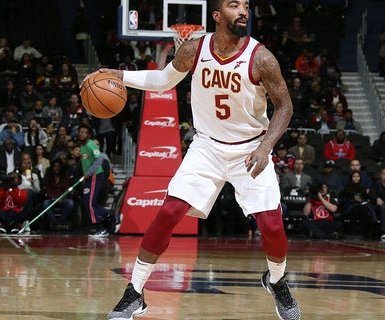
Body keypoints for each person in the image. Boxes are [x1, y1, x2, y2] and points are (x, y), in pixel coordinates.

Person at [85, 1, 301, 319]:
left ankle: (277, 281)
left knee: (271, 225)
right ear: (216, 16)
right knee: (169, 212)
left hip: (251, 149)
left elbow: (285, 107)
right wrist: (117, 75)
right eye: (234, 5)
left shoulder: (261, 58)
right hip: (207, 148)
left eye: (245, 5)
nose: (243, 10)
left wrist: (265, 146)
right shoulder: (194, 50)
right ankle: (135, 293)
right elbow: (163, 81)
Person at [77, 123, 110, 237]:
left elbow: (99, 159)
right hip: (88, 178)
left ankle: (100, 229)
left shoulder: (91, 145)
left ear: (89, 134)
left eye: (84, 132)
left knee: (89, 203)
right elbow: (85, 163)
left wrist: (89, 173)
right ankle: (110, 214)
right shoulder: (82, 146)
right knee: (88, 203)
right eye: (80, 132)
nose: (81, 134)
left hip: (96, 175)